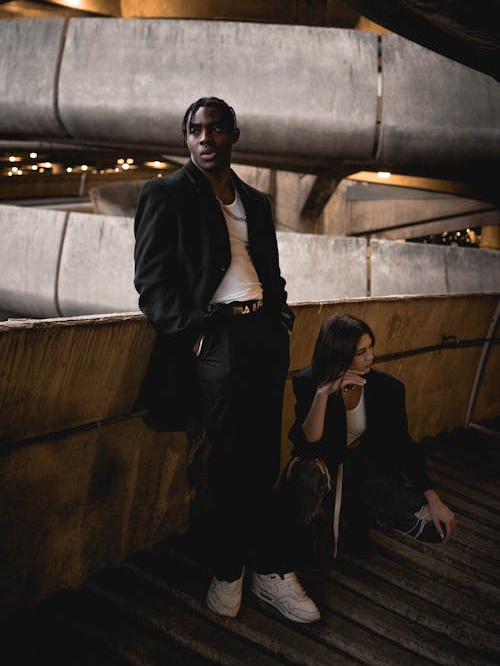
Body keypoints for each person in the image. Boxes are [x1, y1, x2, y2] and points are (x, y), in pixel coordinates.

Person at [134, 96, 320, 623]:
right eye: (195, 130)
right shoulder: (165, 194)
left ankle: (267, 572)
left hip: (263, 333)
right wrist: (193, 335)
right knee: (229, 459)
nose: (205, 139)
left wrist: (280, 317)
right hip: (216, 338)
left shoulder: (255, 202)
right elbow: (151, 282)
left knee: (263, 455)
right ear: (186, 138)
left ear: (234, 134)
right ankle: (230, 569)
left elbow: (272, 271)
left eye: (216, 129)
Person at [285, 312, 457, 565]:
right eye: (361, 352)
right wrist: (323, 392)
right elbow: (310, 441)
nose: (371, 356)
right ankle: (317, 523)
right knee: (315, 552)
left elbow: (403, 445)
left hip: (366, 474)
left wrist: (433, 497)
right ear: (339, 354)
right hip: (322, 473)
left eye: (371, 347)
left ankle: (366, 513)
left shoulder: (388, 389)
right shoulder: (308, 381)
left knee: (434, 527)